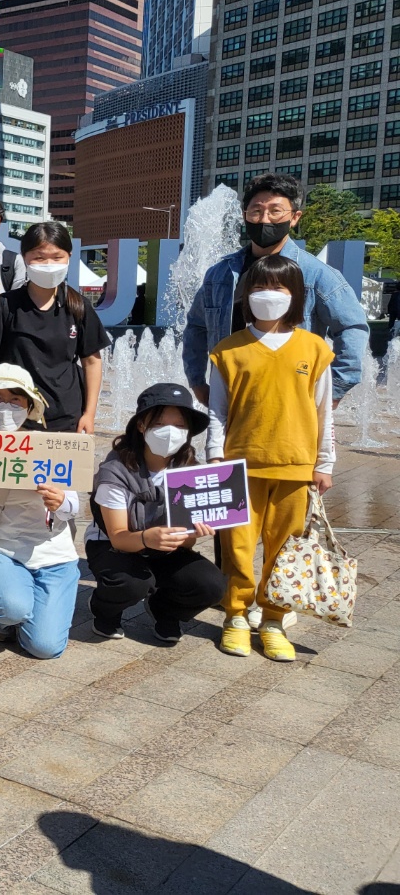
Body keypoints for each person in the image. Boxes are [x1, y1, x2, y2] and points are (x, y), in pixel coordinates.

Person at [206, 255, 334, 663]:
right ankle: (237, 617)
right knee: (238, 548)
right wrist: (213, 455)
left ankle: (275, 620)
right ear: (246, 294)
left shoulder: (314, 349)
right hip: (239, 465)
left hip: (296, 467)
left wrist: (325, 463)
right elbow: (216, 411)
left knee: (285, 550)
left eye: (278, 288)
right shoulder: (228, 350)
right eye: (259, 287)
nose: (268, 295)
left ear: (295, 296)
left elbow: (324, 410)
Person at [183, 172, 367, 406]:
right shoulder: (220, 273)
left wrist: (335, 390)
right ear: (245, 215)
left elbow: (353, 327)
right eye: (256, 211)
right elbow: (197, 327)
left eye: (275, 211)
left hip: (291, 401)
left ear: (294, 217)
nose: (264, 219)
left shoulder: (315, 273)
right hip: (230, 396)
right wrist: (197, 381)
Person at [0, 365, 81, 660]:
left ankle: (33, 615)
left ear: (29, 406)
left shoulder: (51, 446)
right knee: (11, 608)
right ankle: (2, 619)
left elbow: (75, 507)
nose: (5, 407)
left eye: (16, 399)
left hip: (55, 555)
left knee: (45, 647)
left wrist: (60, 500)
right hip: (2, 549)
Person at [86, 383, 226, 642]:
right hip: (114, 545)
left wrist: (192, 532)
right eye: (160, 424)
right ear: (141, 425)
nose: (171, 432)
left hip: (164, 548)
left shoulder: (192, 472)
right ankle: (105, 611)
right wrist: (147, 539)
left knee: (212, 585)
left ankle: (165, 610)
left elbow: (188, 540)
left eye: (180, 425)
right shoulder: (115, 470)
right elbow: (118, 536)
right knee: (133, 584)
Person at [0, 220, 107, 433]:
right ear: (24, 257)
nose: (48, 264)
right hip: (11, 417)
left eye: (57, 257)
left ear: (69, 257)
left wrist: (89, 414)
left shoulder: (79, 306)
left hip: (65, 417)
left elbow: (92, 362)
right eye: (39, 257)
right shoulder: (5, 305)